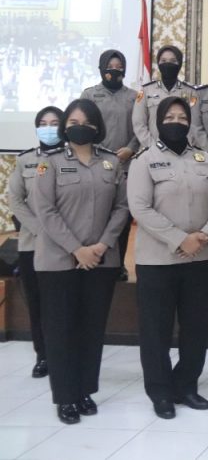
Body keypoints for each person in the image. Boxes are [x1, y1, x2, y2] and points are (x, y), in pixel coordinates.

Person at [128, 96, 208, 420]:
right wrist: (179, 238)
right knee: (156, 331)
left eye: (182, 117)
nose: (176, 122)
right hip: (158, 260)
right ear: (158, 121)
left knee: (196, 328)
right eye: (169, 117)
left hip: (201, 258)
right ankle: (160, 392)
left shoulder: (204, 159)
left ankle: (186, 385)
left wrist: (206, 234)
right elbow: (139, 207)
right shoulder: (144, 160)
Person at [30, 99, 129, 424]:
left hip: (101, 260)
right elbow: (45, 211)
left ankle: (85, 390)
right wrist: (77, 249)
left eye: (86, 121)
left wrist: (101, 245)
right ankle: (65, 396)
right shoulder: (50, 163)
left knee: (91, 329)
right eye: (72, 122)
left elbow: (122, 207)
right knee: (60, 330)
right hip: (59, 261)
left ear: (97, 126)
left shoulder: (111, 162)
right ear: (64, 127)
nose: (79, 126)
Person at [6, 106, 64, 379]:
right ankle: (43, 355)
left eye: (55, 123)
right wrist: (41, 230)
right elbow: (16, 201)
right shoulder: (25, 160)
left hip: (68, 246)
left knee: (64, 304)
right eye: (43, 123)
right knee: (37, 303)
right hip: (34, 243)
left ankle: (66, 354)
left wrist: (60, 234)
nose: (49, 128)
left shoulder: (75, 158)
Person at [82, 49, 140, 280]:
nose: (115, 70)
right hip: (96, 164)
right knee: (97, 215)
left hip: (126, 165)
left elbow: (140, 128)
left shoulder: (134, 97)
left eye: (119, 67)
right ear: (101, 67)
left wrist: (131, 149)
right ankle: (94, 258)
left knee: (121, 217)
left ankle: (119, 265)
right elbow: (83, 126)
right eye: (110, 66)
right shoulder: (89, 95)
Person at [132, 45, 198, 147]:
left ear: (180, 64)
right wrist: (154, 147)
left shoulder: (191, 92)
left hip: (183, 150)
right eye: (163, 61)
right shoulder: (145, 90)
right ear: (158, 64)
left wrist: (184, 147)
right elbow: (138, 123)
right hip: (152, 150)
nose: (168, 64)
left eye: (173, 61)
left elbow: (195, 124)